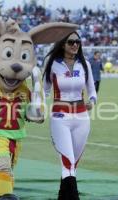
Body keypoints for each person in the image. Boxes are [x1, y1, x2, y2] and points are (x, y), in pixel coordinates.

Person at [43, 32, 97, 200]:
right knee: (67, 162)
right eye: (71, 42)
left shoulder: (85, 64)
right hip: (60, 118)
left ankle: (62, 195)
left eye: (78, 42)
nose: (75, 45)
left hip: (82, 119)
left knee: (73, 164)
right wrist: (37, 107)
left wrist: (92, 101)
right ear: (62, 44)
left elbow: (92, 90)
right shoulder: (52, 63)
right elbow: (43, 91)